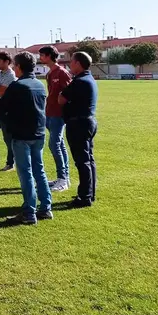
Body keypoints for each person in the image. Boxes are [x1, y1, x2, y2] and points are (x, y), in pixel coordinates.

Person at [0, 52, 52, 225]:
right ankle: (46, 208)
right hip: (38, 133)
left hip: (21, 135)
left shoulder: (17, 86)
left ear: (19, 67)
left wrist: (9, 123)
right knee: (39, 170)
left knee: (26, 173)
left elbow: (2, 106)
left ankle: (29, 212)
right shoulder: (39, 84)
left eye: (15, 65)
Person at [59, 51, 99, 208]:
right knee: (88, 160)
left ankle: (84, 197)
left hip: (78, 124)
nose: (70, 64)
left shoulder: (79, 81)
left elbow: (61, 99)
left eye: (72, 62)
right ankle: (89, 193)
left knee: (82, 162)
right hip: (88, 122)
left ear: (78, 63)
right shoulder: (89, 79)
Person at [38, 46, 73, 192]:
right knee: (60, 145)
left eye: (41, 55)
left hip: (59, 115)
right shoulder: (49, 73)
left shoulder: (62, 73)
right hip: (49, 113)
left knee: (54, 145)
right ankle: (63, 178)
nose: (39, 58)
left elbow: (70, 93)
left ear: (48, 56)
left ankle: (63, 179)